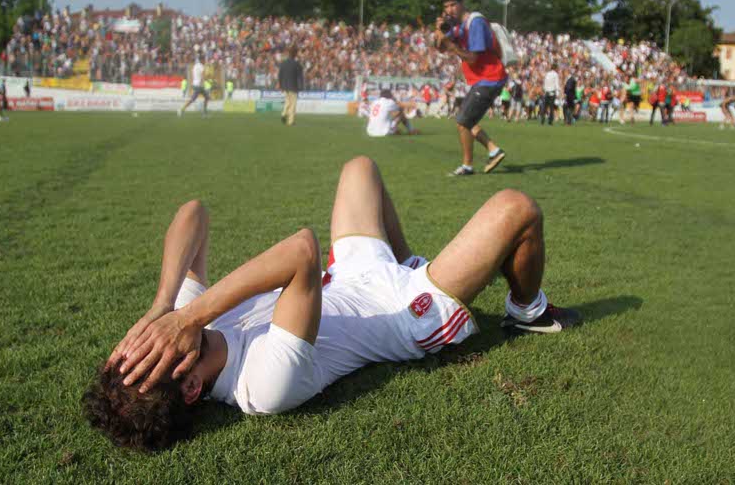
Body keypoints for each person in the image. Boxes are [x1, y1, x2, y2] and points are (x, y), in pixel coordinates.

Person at [84, 156, 581, 451]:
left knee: (360, 168)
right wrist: (189, 316)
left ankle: (410, 259)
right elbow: (301, 249)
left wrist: (161, 307)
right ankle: (528, 312)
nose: (158, 339)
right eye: (153, 351)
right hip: (405, 311)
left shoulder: (186, 329)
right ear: (192, 387)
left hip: (350, 277)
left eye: (139, 345)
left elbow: (194, 212)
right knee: (517, 208)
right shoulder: (262, 386)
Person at [435, 0, 506, 176]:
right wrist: (439, 31)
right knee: (467, 119)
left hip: (491, 78)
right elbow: (440, 48)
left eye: (452, 5)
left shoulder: (475, 22)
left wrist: (451, 44)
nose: (450, 10)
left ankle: (467, 166)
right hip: (481, 79)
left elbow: (473, 58)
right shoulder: (457, 25)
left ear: (461, 4)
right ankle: (493, 150)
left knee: (463, 122)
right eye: (446, 6)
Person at [278, 45, 304, 126]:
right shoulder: (297, 64)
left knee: (287, 102)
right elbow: (300, 76)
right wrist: (301, 86)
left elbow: (280, 75)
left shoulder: (283, 63)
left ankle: (283, 114)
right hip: (293, 86)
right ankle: (291, 121)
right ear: (295, 54)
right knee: (293, 104)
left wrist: (280, 85)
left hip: (285, 86)